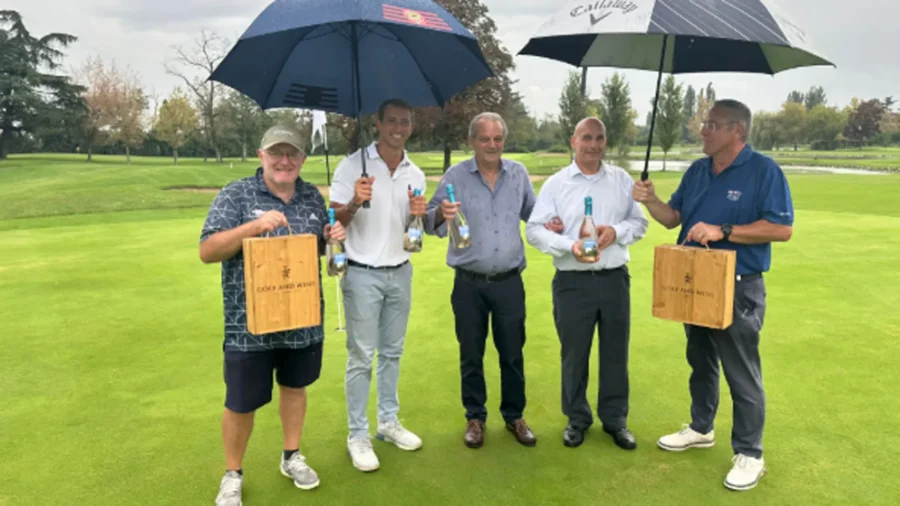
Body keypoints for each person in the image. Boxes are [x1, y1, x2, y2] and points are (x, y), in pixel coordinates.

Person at [633, 99, 794, 491]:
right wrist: (650, 200)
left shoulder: (763, 170)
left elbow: (781, 228)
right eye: (704, 124)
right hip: (696, 279)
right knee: (700, 359)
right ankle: (701, 427)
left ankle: (750, 453)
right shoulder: (698, 170)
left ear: (736, 130)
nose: (703, 131)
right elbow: (672, 218)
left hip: (738, 285)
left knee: (741, 370)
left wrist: (723, 230)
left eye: (712, 124)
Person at [200, 124, 346, 506]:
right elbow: (208, 250)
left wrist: (331, 239)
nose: (284, 160)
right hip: (249, 323)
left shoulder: (312, 196)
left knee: (295, 388)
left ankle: (291, 456)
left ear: (302, 158)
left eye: (292, 153)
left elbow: (319, 252)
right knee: (241, 402)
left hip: (302, 317)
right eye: (276, 153)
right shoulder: (236, 194)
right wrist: (253, 226)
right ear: (261, 155)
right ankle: (233, 474)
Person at [526, 117, 648, 450]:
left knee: (615, 353)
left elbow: (639, 223)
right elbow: (534, 230)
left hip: (613, 279)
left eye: (599, 138)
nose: (593, 144)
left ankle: (615, 420)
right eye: (587, 137)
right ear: (573, 141)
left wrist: (615, 232)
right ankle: (577, 419)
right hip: (572, 282)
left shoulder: (621, 180)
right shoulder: (556, 184)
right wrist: (570, 245)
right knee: (574, 354)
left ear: (605, 141)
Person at [424, 112, 543, 449]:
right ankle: (475, 418)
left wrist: (555, 223)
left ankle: (514, 416)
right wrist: (440, 213)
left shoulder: (518, 174)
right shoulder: (455, 176)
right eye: (485, 138)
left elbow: (534, 214)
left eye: (497, 138)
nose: (492, 145)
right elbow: (428, 223)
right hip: (469, 283)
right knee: (471, 353)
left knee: (512, 353)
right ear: (471, 141)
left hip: (509, 282)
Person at [328, 98, 427, 472]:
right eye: (392, 121)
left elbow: (413, 236)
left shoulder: (415, 173)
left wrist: (418, 217)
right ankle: (357, 434)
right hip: (362, 273)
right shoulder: (352, 165)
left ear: (411, 126)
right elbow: (333, 219)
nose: (398, 128)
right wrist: (355, 201)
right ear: (379, 124)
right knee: (361, 357)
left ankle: (388, 421)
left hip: (400, 270)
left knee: (392, 352)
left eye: (405, 122)